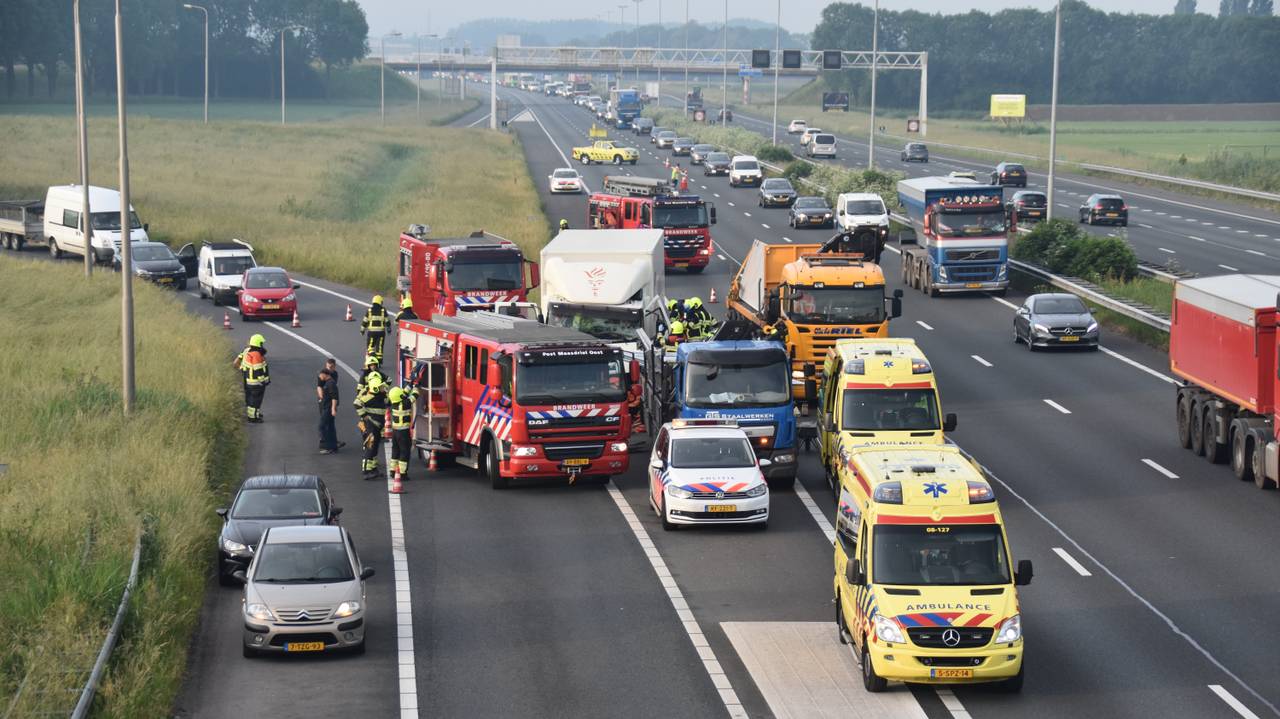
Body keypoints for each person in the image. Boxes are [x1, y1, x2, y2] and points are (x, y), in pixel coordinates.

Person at [353, 373, 388, 480]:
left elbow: (388, 402)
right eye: (381, 387)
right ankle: (366, 471)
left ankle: (373, 469)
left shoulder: (380, 396)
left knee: (374, 447)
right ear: (376, 389)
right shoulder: (370, 397)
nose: (383, 388)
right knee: (370, 447)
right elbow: (356, 403)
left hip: (376, 427)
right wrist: (364, 416)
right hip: (371, 427)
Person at [233, 334, 269, 423]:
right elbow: (258, 370)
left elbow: (236, 362)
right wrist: (263, 381)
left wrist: (242, 370)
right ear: (258, 344)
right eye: (261, 343)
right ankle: (253, 417)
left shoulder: (246, 351)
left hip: (247, 379)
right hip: (256, 382)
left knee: (250, 398)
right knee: (256, 399)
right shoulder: (256, 355)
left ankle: (253, 414)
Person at [388, 385, 420, 480]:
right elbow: (415, 395)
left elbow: (403, 394)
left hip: (395, 432)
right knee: (404, 452)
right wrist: (415, 387)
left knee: (395, 451)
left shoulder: (394, 403)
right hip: (403, 433)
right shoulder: (405, 403)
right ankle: (402, 473)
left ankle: (393, 471)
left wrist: (409, 385)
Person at [317, 360, 344, 454]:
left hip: (329, 406)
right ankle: (333, 445)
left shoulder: (331, 382)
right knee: (330, 425)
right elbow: (319, 386)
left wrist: (333, 408)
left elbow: (334, 396)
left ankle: (326, 446)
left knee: (322, 426)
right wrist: (321, 397)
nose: (320, 377)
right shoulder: (326, 379)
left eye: (331, 366)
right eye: (328, 366)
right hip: (325, 404)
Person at [360, 295, 390, 366]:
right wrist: (389, 329)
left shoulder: (369, 310)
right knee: (379, 347)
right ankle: (379, 361)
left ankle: (372, 357)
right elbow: (387, 321)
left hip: (371, 333)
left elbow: (365, 321)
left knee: (370, 346)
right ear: (380, 302)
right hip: (381, 332)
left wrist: (362, 330)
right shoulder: (383, 310)